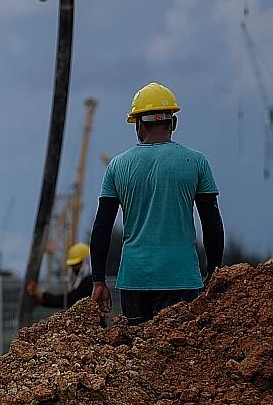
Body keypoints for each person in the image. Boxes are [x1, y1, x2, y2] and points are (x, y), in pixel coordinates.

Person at [89, 83, 222, 324]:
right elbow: (212, 224)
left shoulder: (117, 166)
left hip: (134, 279)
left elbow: (102, 227)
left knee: (139, 356)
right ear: (173, 123)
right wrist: (214, 271)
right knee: (176, 354)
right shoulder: (196, 162)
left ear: (138, 125)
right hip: (182, 279)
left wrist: (98, 280)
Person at [26, 242, 97, 311]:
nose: (73, 268)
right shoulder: (79, 282)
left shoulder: (89, 281)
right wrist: (43, 301)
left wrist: (42, 295)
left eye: (76, 264)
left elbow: (69, 299)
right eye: (72, 265)